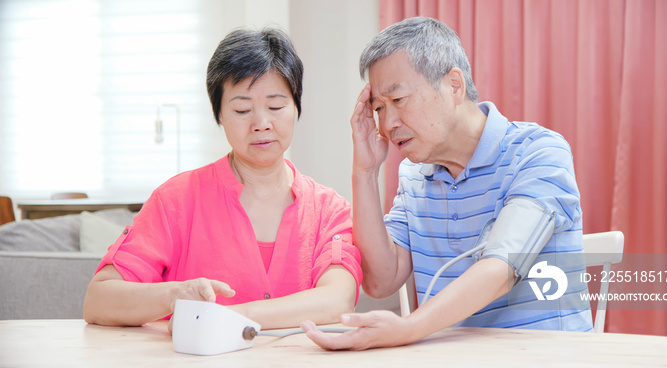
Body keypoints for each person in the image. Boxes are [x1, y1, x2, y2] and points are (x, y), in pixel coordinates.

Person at [301, 17, 592, 350]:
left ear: (454, 85)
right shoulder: (414, 177)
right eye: (379, 108)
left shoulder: (537, 152)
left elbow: (501, 267)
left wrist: (408, 328)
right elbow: (381, 281)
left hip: (548, 356)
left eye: (398, 100)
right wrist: (365, 172)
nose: (388, 123)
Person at [83, 28, 362, 330]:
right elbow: (99, 300)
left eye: (276, 106)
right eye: (242, 109)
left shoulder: (329, 209)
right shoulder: (175, 200)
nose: (261, 124)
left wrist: (231, 318)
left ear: (296, 107)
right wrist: (176, 294)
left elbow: (338, 299)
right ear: (219, 115)